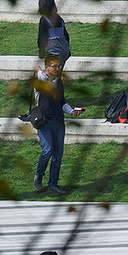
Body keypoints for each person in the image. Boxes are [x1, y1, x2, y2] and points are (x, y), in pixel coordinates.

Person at [32, 56, 82, 196]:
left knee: (58, 155)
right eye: (54, 66)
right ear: (47, 67)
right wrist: (39, 71)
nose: (58, 69)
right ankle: (39, 175)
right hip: (44, 122)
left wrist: (71, 111)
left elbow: (62, 103)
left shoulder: (59, 82)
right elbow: (42, 78)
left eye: (59, 66)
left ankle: (52, 184)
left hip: (58, 121)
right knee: (47, 150)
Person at [37, 0, 71, 65]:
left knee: (52, 72)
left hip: (53, 52)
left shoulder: (44, 20)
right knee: (58, 71)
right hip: (64, 50)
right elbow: (66, 36)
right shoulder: (59, 18)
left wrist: (41, 51)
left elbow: (42, 38)